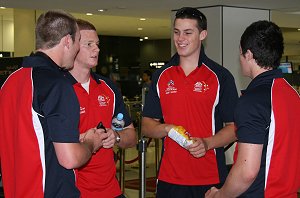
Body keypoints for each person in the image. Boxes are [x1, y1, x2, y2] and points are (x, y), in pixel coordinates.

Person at [0, 10, 107, 198]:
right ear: (67, 41)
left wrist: (73, 139)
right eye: (78, 41)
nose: (76, 50)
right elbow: (69, 159)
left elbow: (32, 135)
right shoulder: (58, 84)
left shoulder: (10, 81)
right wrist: (91, 142)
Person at [142, 7, 238, 198]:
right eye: (176, 32)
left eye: (188, 32)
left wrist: (207, 143)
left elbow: (234, 127)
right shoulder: (161, 76)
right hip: (170, 178)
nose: (180, 38)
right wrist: (167, 128)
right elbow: (146, 126)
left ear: (202, 34)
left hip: (209, 177)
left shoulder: (220, 76)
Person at [205, 21, 300, 198]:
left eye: (240, 54)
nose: (240, 58)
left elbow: (246, 172)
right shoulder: (292, 94)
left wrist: (219, 195)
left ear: (248, 54)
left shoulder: (252, 101)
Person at [66, 19, 136, 198]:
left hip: (110, 190)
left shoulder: (108, 88)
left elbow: (131, 136)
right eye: (89, 44)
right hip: (72, 191)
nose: (96, 49)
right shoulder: (59, 89)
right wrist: (81, 141)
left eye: (97, 44)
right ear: (72, 46)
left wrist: (116, 136)